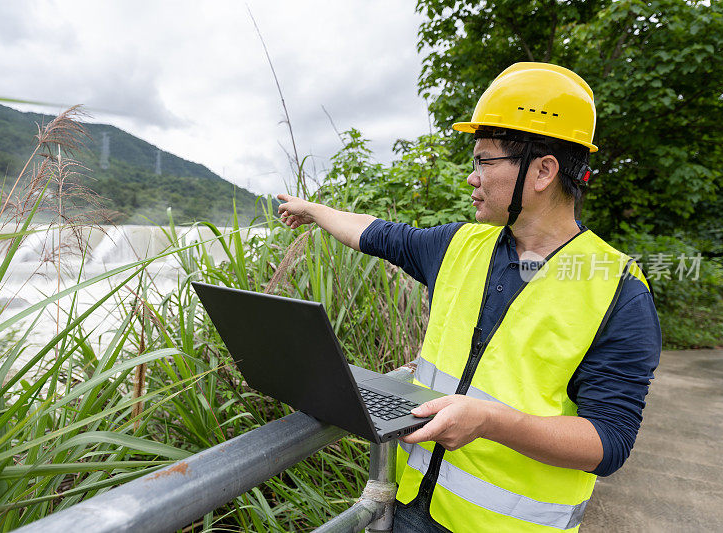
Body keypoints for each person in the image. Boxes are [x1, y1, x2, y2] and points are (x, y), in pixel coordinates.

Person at [277, 62, 660, 532]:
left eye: (484, 160)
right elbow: (376, 234)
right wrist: (313, 210)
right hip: (411, 506)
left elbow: (609, 441)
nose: (471, 177)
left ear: (542, 171)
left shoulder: (617, 289)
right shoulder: (460, 245)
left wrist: (491, 421)